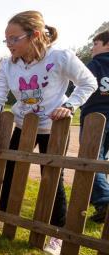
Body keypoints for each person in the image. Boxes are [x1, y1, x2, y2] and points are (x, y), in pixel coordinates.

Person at [0, 10, 97, 255]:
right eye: (6, 39)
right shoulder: (7, 65)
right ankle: (1, 216)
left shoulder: (60, 57)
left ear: (35, 35)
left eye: (14, 39)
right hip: (24, 126)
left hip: (52, 129)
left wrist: (69, 105)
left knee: (51, 178)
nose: (9, 44)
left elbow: (89, 82)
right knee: (10, 169)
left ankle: (57, 233)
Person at [80, 30, 109, 223]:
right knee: (102, 159)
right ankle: (102, 208)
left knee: (91, 158)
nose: (92, 48)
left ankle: (105, 200)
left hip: (96, 118)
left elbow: (84, 87)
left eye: (96, 44)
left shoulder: (96, 64)